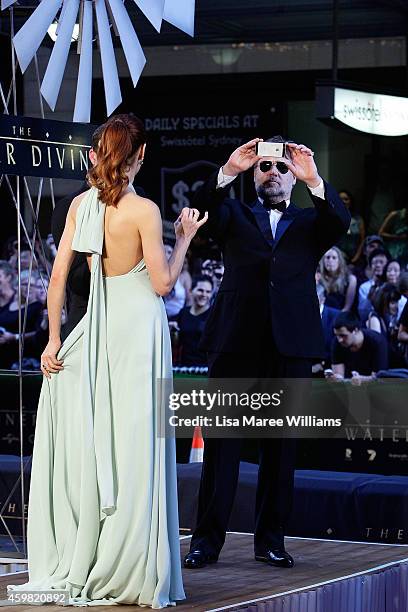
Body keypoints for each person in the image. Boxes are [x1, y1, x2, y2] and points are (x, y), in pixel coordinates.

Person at [7, 113, 208, 607]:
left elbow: (56, 282)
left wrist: (53, 340)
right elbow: (163, 285)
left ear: (101, 154)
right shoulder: (143, 210)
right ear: (139, 156)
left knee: (108, 438)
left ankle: (94, 550)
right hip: (138, 325)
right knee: (136, 443)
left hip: (97, 324)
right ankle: (134, 562)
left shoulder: (80, 204)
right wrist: (183, 237)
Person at [183, 136, 350, 571]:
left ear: (292, 177)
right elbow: (200, 209)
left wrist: (314, 176)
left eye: (280, 168)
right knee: (222, 448)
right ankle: (206, 542)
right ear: (255, 177)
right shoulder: (234, 214)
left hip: (289, 346)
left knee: (281, 450)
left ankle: (270, 541)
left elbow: (341, 222)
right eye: (265, 168)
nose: (272, 173)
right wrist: (230, 169)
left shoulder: (311, 222)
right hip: (235, 342)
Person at [51, 123, 145, 339]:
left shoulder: (140, 201)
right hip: (87, 321)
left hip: (134, 318)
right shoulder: (71, 206)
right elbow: (70, 279)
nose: (115, 161)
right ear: (93, 156)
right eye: (108, 153)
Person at [329, 312, 388, 384]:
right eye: (337, 335)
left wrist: (362, 379)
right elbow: (339, 375)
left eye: (343, 335)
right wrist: (336, 378)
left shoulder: (377, 342)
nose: (340, 340)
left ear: (355, 330)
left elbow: (380, 378)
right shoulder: (337, 343)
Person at [171, 275, 213, 366]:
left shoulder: (214, 315)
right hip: (183, 367)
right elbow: (176, 340)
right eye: (200, 290)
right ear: (190, 291)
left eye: (208, 292)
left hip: (205, 367)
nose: (204, 295)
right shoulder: (184, 312)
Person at [318, 246, 356, 311]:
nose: (330, 260)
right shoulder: (318, 278)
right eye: (327, 257)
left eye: (334, 258)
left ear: (339, 261)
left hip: (341, 315)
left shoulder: (350, 279)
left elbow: (347, 307)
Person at [358, 248, 389, 322]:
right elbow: (362, 313)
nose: (378, 265)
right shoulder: (364, 287)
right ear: (370, 266)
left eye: (381, 262)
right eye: (375, 263)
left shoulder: (393, 285)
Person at [336, 189, 365, 263]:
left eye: (346, 199)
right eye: (340, 199)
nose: (343, 201)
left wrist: (356, 257)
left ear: (350, 201)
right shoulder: (332, 218)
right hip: (337, 257)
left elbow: (362, 240)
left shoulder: (358, 219)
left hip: (354, 258)